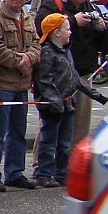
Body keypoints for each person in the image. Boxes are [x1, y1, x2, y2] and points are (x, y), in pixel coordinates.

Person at [33, 14, 108, 187]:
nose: (70, 32)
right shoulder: (47, 53)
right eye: (67, 29)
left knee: (65, 143)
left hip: (68, 105)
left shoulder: (66, 51)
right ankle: (44, 173)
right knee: (49, 141)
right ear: (56, 33)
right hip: (53, 108)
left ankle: (62, 173)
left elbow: (76, 79)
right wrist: (55, 102)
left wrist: (98, 96)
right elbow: (44, 82)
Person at [34, 0, 108, 142]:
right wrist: (73, 22)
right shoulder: (53, 5)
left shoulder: (92, 8)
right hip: (57, 77)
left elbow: (101, 44)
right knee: (51, 124)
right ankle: (43, 164)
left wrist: (103, 30)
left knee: (81, 124)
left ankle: (73, 163)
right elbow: (42, 28)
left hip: (83, 74)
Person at [0, 0, 39, 192]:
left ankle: (15, 172)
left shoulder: (27, 17)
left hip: (21, 85)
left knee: (18, 131)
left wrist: (29, 59)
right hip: (0, 84)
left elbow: (36, 44)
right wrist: (20, 62)